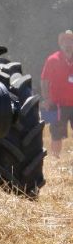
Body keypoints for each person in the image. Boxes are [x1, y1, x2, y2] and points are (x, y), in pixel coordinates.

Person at [41, 29, 73, 157]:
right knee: (56, 134)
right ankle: (55, 158)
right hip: (58, 105)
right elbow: (44, 80)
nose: (68, 44)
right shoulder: (53, 59)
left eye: (71, 41)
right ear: (61, 44)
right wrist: (47, 99)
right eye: (65, 41)